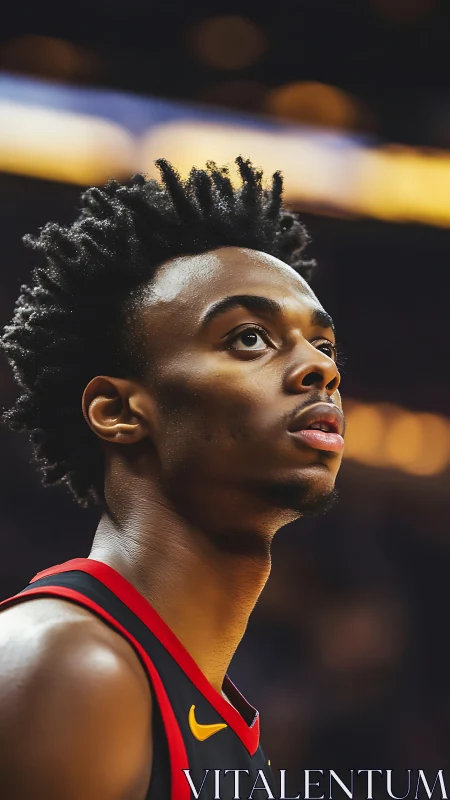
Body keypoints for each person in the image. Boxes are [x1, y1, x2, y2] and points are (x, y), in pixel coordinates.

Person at [0, 157, 345, 800]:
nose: (317, 370)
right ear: (120, 412)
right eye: (249, 338)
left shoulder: (198, 706)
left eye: (323, 347)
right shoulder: (74, 667)